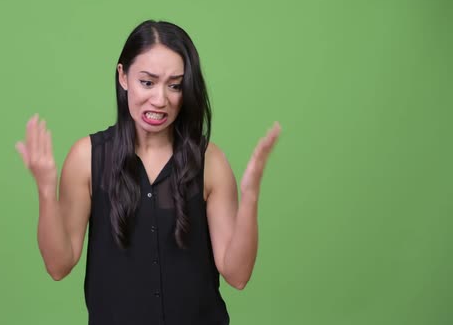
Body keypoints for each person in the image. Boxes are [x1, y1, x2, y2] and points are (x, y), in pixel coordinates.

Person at [15, 20, 281, 325]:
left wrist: (250, 197)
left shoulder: (210, 161)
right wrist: (46, 192)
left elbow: (238, 275)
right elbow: (58, 266)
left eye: (175, 85)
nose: (160, 100)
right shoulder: (87, 157)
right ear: (123, 76)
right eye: (147, 82)